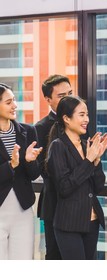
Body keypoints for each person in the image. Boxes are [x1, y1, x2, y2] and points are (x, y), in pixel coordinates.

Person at [46, 95, 107, 259]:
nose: (86, 119)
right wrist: (88, 160)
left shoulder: (86, 145)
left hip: (92, 221)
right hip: (69, 224)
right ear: (66, 118)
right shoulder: (58, 146)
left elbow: (98, 187)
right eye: (81, 115)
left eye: (87, 114)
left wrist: (96, 160)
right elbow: (64, 187)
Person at [0, 83, 42, 259]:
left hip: (23, 210)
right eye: (9, 102)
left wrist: (29, 161)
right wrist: (11, 165)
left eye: (14, 100)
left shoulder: (28, 131)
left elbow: (34, 174)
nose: (15, 106)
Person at [35, 74, 72, 260]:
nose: (68, 99)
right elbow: (45, 169)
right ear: (48, 100)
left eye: (70, 93)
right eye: (61, 96)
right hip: (54, 202)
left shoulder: (80, 122)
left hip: (79, 203)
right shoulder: (40, 128)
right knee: (55, 258)